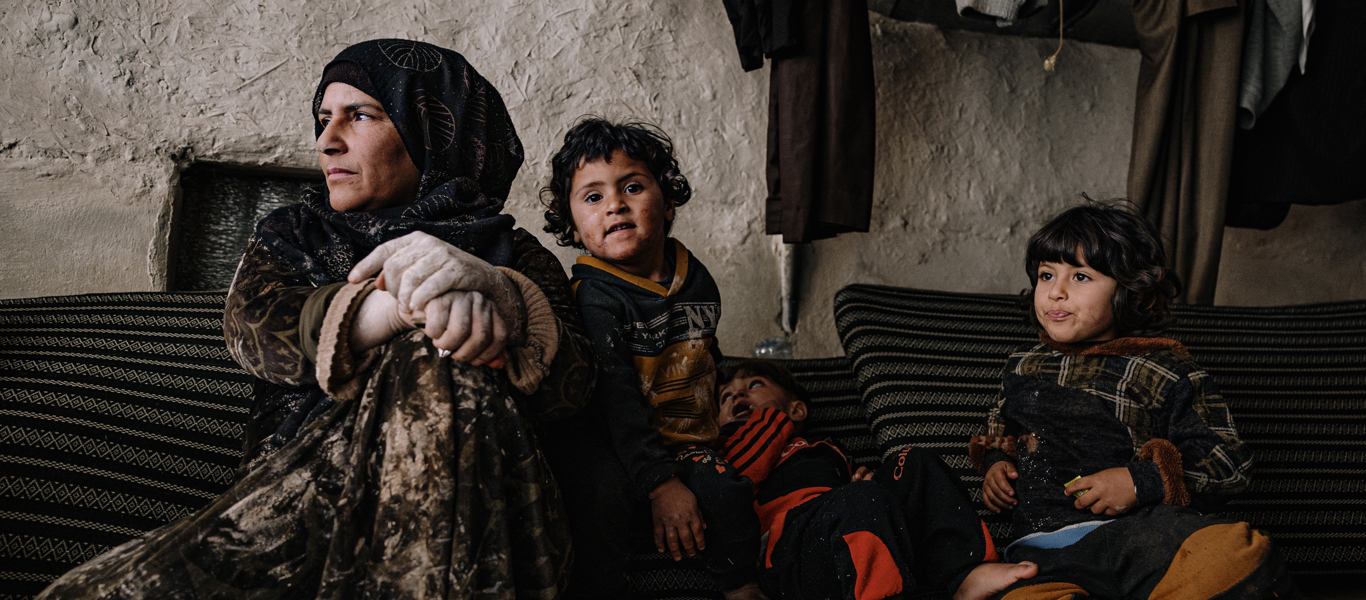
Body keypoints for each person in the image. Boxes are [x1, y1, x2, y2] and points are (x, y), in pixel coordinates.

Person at [37, 39, 596, 599]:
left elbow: (577, 389)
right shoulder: (294, 234)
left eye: (361, 115)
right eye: (324, 118)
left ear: (435, 132)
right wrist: (401, 306)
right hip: (300, 496)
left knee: (437, 356)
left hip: (488, 512)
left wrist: (499, 292)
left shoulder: (517, 254)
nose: (328, 140)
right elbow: (254, 330)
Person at [971, 200, 1298, 599]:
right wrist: (996, 463)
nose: (1055, 292)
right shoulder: (1023, 366)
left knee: (1237, 553)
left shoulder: (1164, 370)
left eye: (1080, 277)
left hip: (1140, 540)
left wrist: (1141, 481)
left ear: (1131, 291)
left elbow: (1229, 464)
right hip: (1040, 556)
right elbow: (997, 428)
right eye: (1046, 275)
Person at [536, 119, 763, 599]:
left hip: (685, 441)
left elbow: (702, 353)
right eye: (593, 197)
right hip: (616, 444)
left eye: (632, 187)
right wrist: (661, 485)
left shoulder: (696, 277)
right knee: (600, 501)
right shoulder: (594, 297)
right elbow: (615, 401)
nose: (615, 204)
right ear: (573, 228)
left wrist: (721, 402)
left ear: (668, 201)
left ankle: (742, 586)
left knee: (727, 493)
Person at [715, 359, 1039, 600]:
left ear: (798, 410)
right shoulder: (724, 449)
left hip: (842, 532)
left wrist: (865, 484)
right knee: (858, 500)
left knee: (913, 461)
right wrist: (769, 414)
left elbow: (855, 500)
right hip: (786, 556)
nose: (737, 394)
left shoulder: (824, 449)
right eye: (725, 397)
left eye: (754, 385)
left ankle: (965, 573)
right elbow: (738, 478)